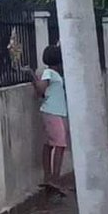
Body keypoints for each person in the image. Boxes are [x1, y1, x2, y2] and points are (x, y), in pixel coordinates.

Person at [31, 45, 70, 195]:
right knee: (60, 144)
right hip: (51, 112)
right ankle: (55, 179)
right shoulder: (49, 73)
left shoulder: (56, 74)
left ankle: (48, 177)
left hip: (56, 112)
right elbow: (41, 89)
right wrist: (33, 77)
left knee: (50, 144)